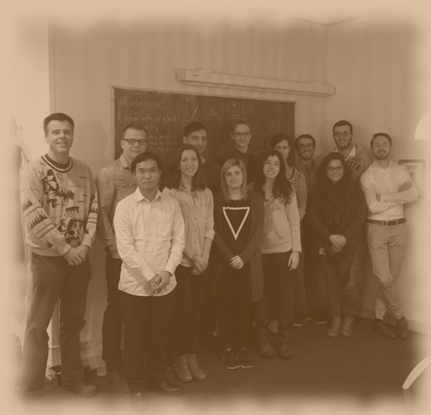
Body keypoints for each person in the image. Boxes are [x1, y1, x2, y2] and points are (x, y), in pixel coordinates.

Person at [19, 113, 98, 397]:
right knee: (37, 324)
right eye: (56, 132)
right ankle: (31, 387)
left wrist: (85, 246)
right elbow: (33, 214)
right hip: (47, 259)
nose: (62, 136)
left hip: (79, 258)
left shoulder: (84, 170)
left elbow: (93, 210)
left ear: (72, 135)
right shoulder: (33, 170)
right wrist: (65, 249)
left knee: (73, 321)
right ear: (47, 136)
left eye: (66, 131)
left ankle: (73, 378)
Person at [113, 152, 185, 399]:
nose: (147, 175)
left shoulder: (172, 204)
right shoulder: (124, 207)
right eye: (142, 171)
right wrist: (150, 276)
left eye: (152, 170)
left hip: (166, 283)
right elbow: (126, 249)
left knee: (160, 336)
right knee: (134, 338)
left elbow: (178, 241)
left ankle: (158, 377)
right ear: (134, 175)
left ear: (160, 174)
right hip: (135, 286)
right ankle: (136, 385)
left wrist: (167, 271)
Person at [95, 121, 148, 386]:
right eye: (132, 141)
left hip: (146, 255)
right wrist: (115, 248)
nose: (137, 145)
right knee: (116, 308)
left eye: (141, 141)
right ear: (122, 143)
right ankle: (113, 363)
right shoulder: (109, 173)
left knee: (139, 310)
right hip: (119, 255)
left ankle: (137, 363)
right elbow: (102, 212)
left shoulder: (148, 171)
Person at [163, 144, 214, 382]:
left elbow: (210, 228)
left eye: (193, 159)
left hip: (202, 261)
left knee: (197, 312)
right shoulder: (169, 193)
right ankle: (179, 358)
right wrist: (194, 257)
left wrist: (204, 258)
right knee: (184, 312)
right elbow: (173, 232)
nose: (190, 164)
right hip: (181, 263)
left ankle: (192, 357)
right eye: (185, 160)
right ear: (178, 164)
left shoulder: (206, 193)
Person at [360, 133, 418, 339]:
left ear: (390, 147)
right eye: (377, 144)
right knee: (384, 279)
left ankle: (377, 320)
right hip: (376, 229)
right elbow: (372, 206)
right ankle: (401, 318)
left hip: (400, 228)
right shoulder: (367, 176)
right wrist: (399, 197)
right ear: (372, 148)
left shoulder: (401, 170)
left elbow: (413, 195)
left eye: (385, 144)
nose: (381, 147)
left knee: (388, 279)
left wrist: (384, 196)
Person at [211, 159, 264, 370]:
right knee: (224, 305)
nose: (233, 177)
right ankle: (227, 348)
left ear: (243, 175)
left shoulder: (256, 199)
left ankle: (241, 347)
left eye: (237, 173)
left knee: (243, 306)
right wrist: (228, 256)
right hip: (224, 263)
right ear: (223, 177)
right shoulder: (216, 199)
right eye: (228, 174)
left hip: (246, 263)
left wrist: (243, 256)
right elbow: (212, 230)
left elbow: (259, 231)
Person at [308, 153, 366, 337]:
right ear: (325, 170)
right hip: (325, 242)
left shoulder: (354, 188)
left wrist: (343, 238)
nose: (335, 171)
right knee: (331, 283)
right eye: (330, 168)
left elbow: (360, 216)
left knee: (350, 285)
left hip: (350, 243)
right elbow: (313, 216)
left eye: (338, 167)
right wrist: (330, 237)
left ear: (344, 169)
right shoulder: (318, 189)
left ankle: (348, 317)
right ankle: (336, 318)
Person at [253, 150, 301, 359]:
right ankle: (262, 336)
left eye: (276, 163)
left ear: (281, 168)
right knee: (261, 293)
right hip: (259, 250)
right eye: (268, 162)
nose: (271, 167)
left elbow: (294, 221)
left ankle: (285, 336)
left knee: (285, 292)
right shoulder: (252, 189)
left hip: (284, 249)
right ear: (262, 166)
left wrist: (296, 250)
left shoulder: (287, 189)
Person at [332, 120, 372, 325]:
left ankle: (351, 314)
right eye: (337, 133)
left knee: (353, 273)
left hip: (356, 220)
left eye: (345, 133)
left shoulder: (365, 157)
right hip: (334, 225)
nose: (342, 137)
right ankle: (337, 314)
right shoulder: (330, 158)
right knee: (335, 273)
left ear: (352, 134)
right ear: (333, 136)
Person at [270, 134, 307, 328]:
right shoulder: (266, 175)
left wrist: (289, 225)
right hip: (270, 238)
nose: (281, 151)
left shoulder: (298, 175)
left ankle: (298, 312)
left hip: (293, 230)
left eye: (285, 147)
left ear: (290, 149)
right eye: (278, 147)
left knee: (295, 274)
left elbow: (302, 206)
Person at [294, 134, 328, 325]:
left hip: (316, 226)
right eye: (302, 146)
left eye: (309, 145)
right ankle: (300, 309)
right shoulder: (291, 171)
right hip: (298, 224)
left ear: (314, 148)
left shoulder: (322, 170)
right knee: (298, 268)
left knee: (314, 267)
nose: (306, 148)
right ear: (297, 149)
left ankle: (313, 308)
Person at [217, 120, 262, 186]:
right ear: (232, 136)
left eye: (246, 133)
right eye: (238, 134)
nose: (242, 137)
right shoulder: (222, 161)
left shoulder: (258, 161)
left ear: (250, 136)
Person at [182, 121, 221, 193]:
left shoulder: (216, 170)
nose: (200, 143)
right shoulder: (174, 168)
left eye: (203, 139)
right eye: (195, 138)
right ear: (185, 140)